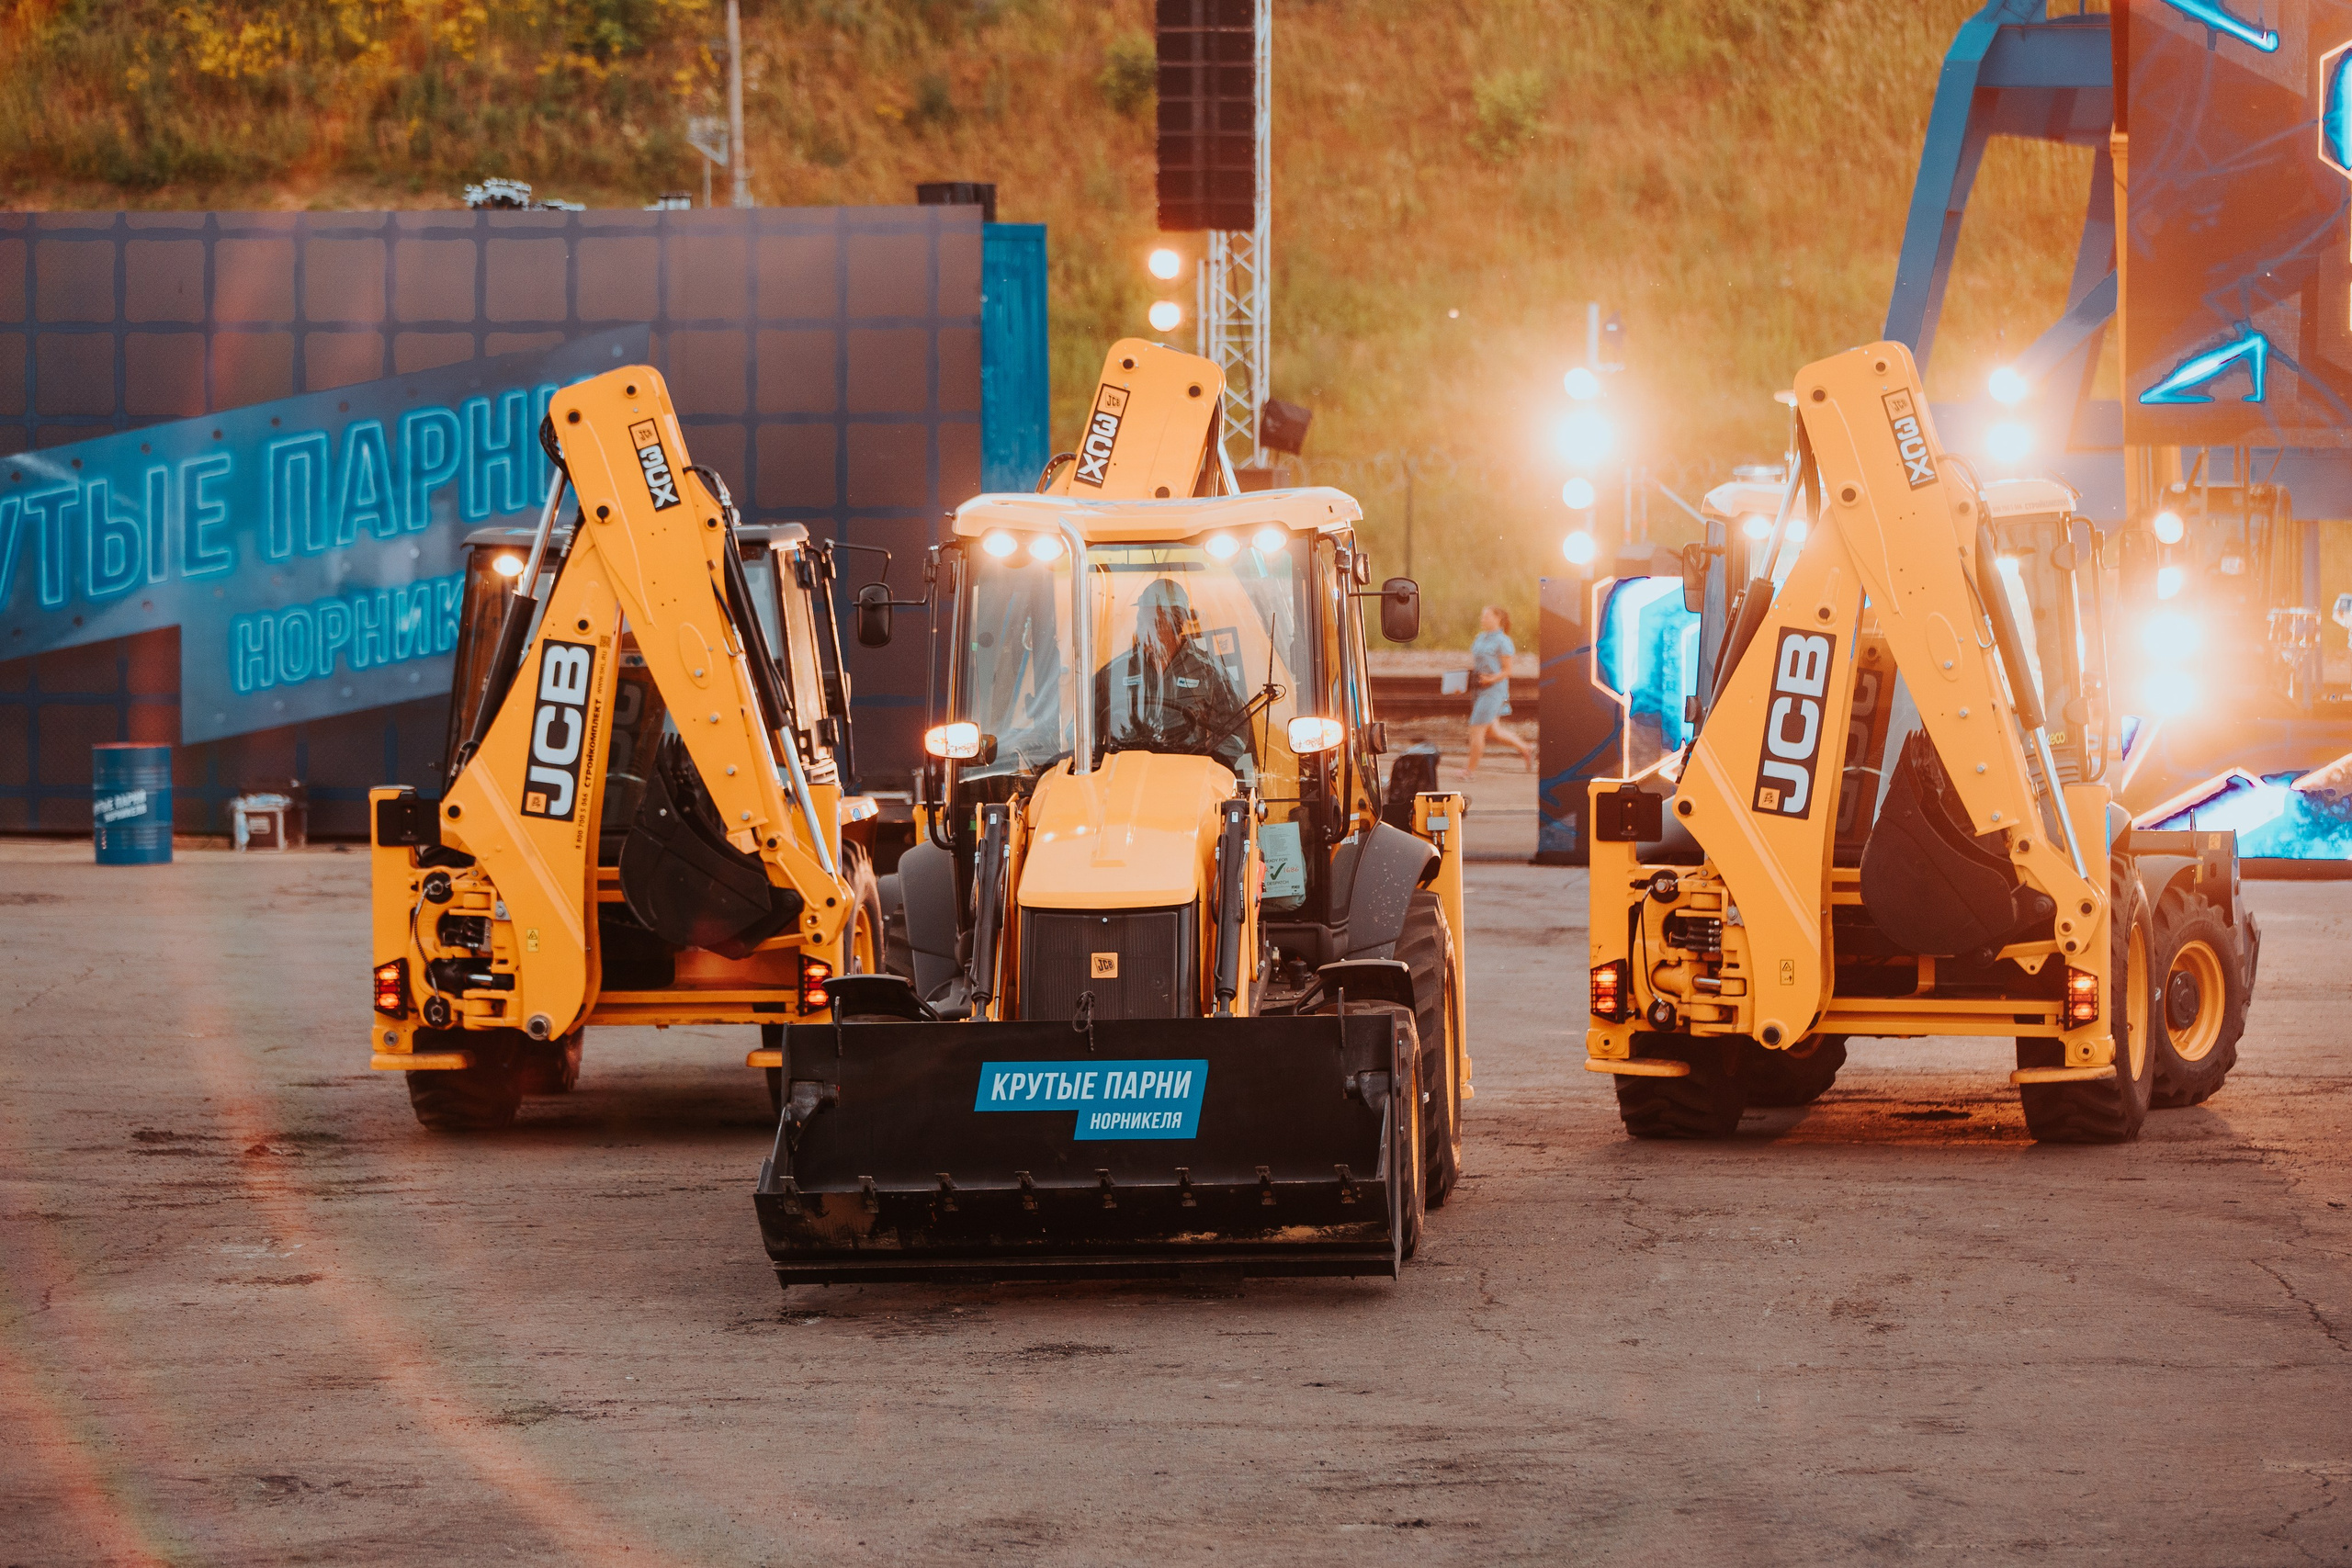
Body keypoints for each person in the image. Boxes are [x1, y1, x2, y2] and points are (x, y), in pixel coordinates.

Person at [1093, 577, 1250, 770]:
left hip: (1187, 777)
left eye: (1154, 623)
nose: (1143, 631)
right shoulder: (1114, 672)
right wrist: (1104, 766)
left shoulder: (1209, 671)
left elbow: (1236, 732)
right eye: (1141, 622)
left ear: (1177, 623)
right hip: (1128, 775)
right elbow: (1078, 729)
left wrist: (1208, 768)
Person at [1465, 604, 1535, 778]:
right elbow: (1477, 665)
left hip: (1494, 691)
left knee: (1476, 729)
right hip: (1479, 690)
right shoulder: (1480, 638)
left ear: (1498, 619)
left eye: (1487, 616)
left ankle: (1469, 771)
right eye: (1482, 616)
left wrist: (1490, 679)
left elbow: (1507, 671)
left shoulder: (1504, 641)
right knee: (1492, 732)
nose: (1483, 619)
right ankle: (1526, 748)